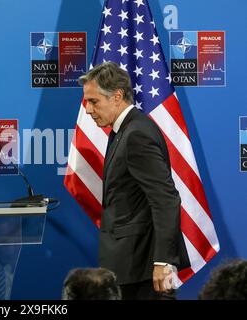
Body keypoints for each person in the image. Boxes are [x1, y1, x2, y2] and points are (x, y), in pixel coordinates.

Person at [79, 61, 190, 300]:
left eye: (94, 101)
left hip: (144, 269)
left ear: (117, 96)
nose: (87, 109)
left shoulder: (136, 133)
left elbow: (165, 199)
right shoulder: (123, 131)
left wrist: (163, 261)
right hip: (131, 265)